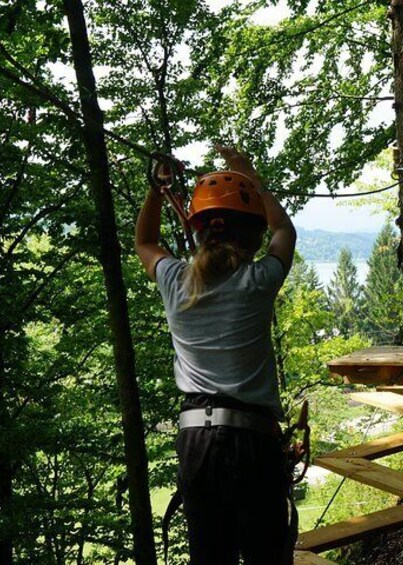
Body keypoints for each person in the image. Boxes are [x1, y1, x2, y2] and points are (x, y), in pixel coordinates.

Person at [134, 144, 297, 564]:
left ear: (197, 230)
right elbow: (286, 233)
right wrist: (251, 177)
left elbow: (145, 241)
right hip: (252, 440)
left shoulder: (176, 281)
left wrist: (157, 189)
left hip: (196, 440)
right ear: (252, 233)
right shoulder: (258, 281)